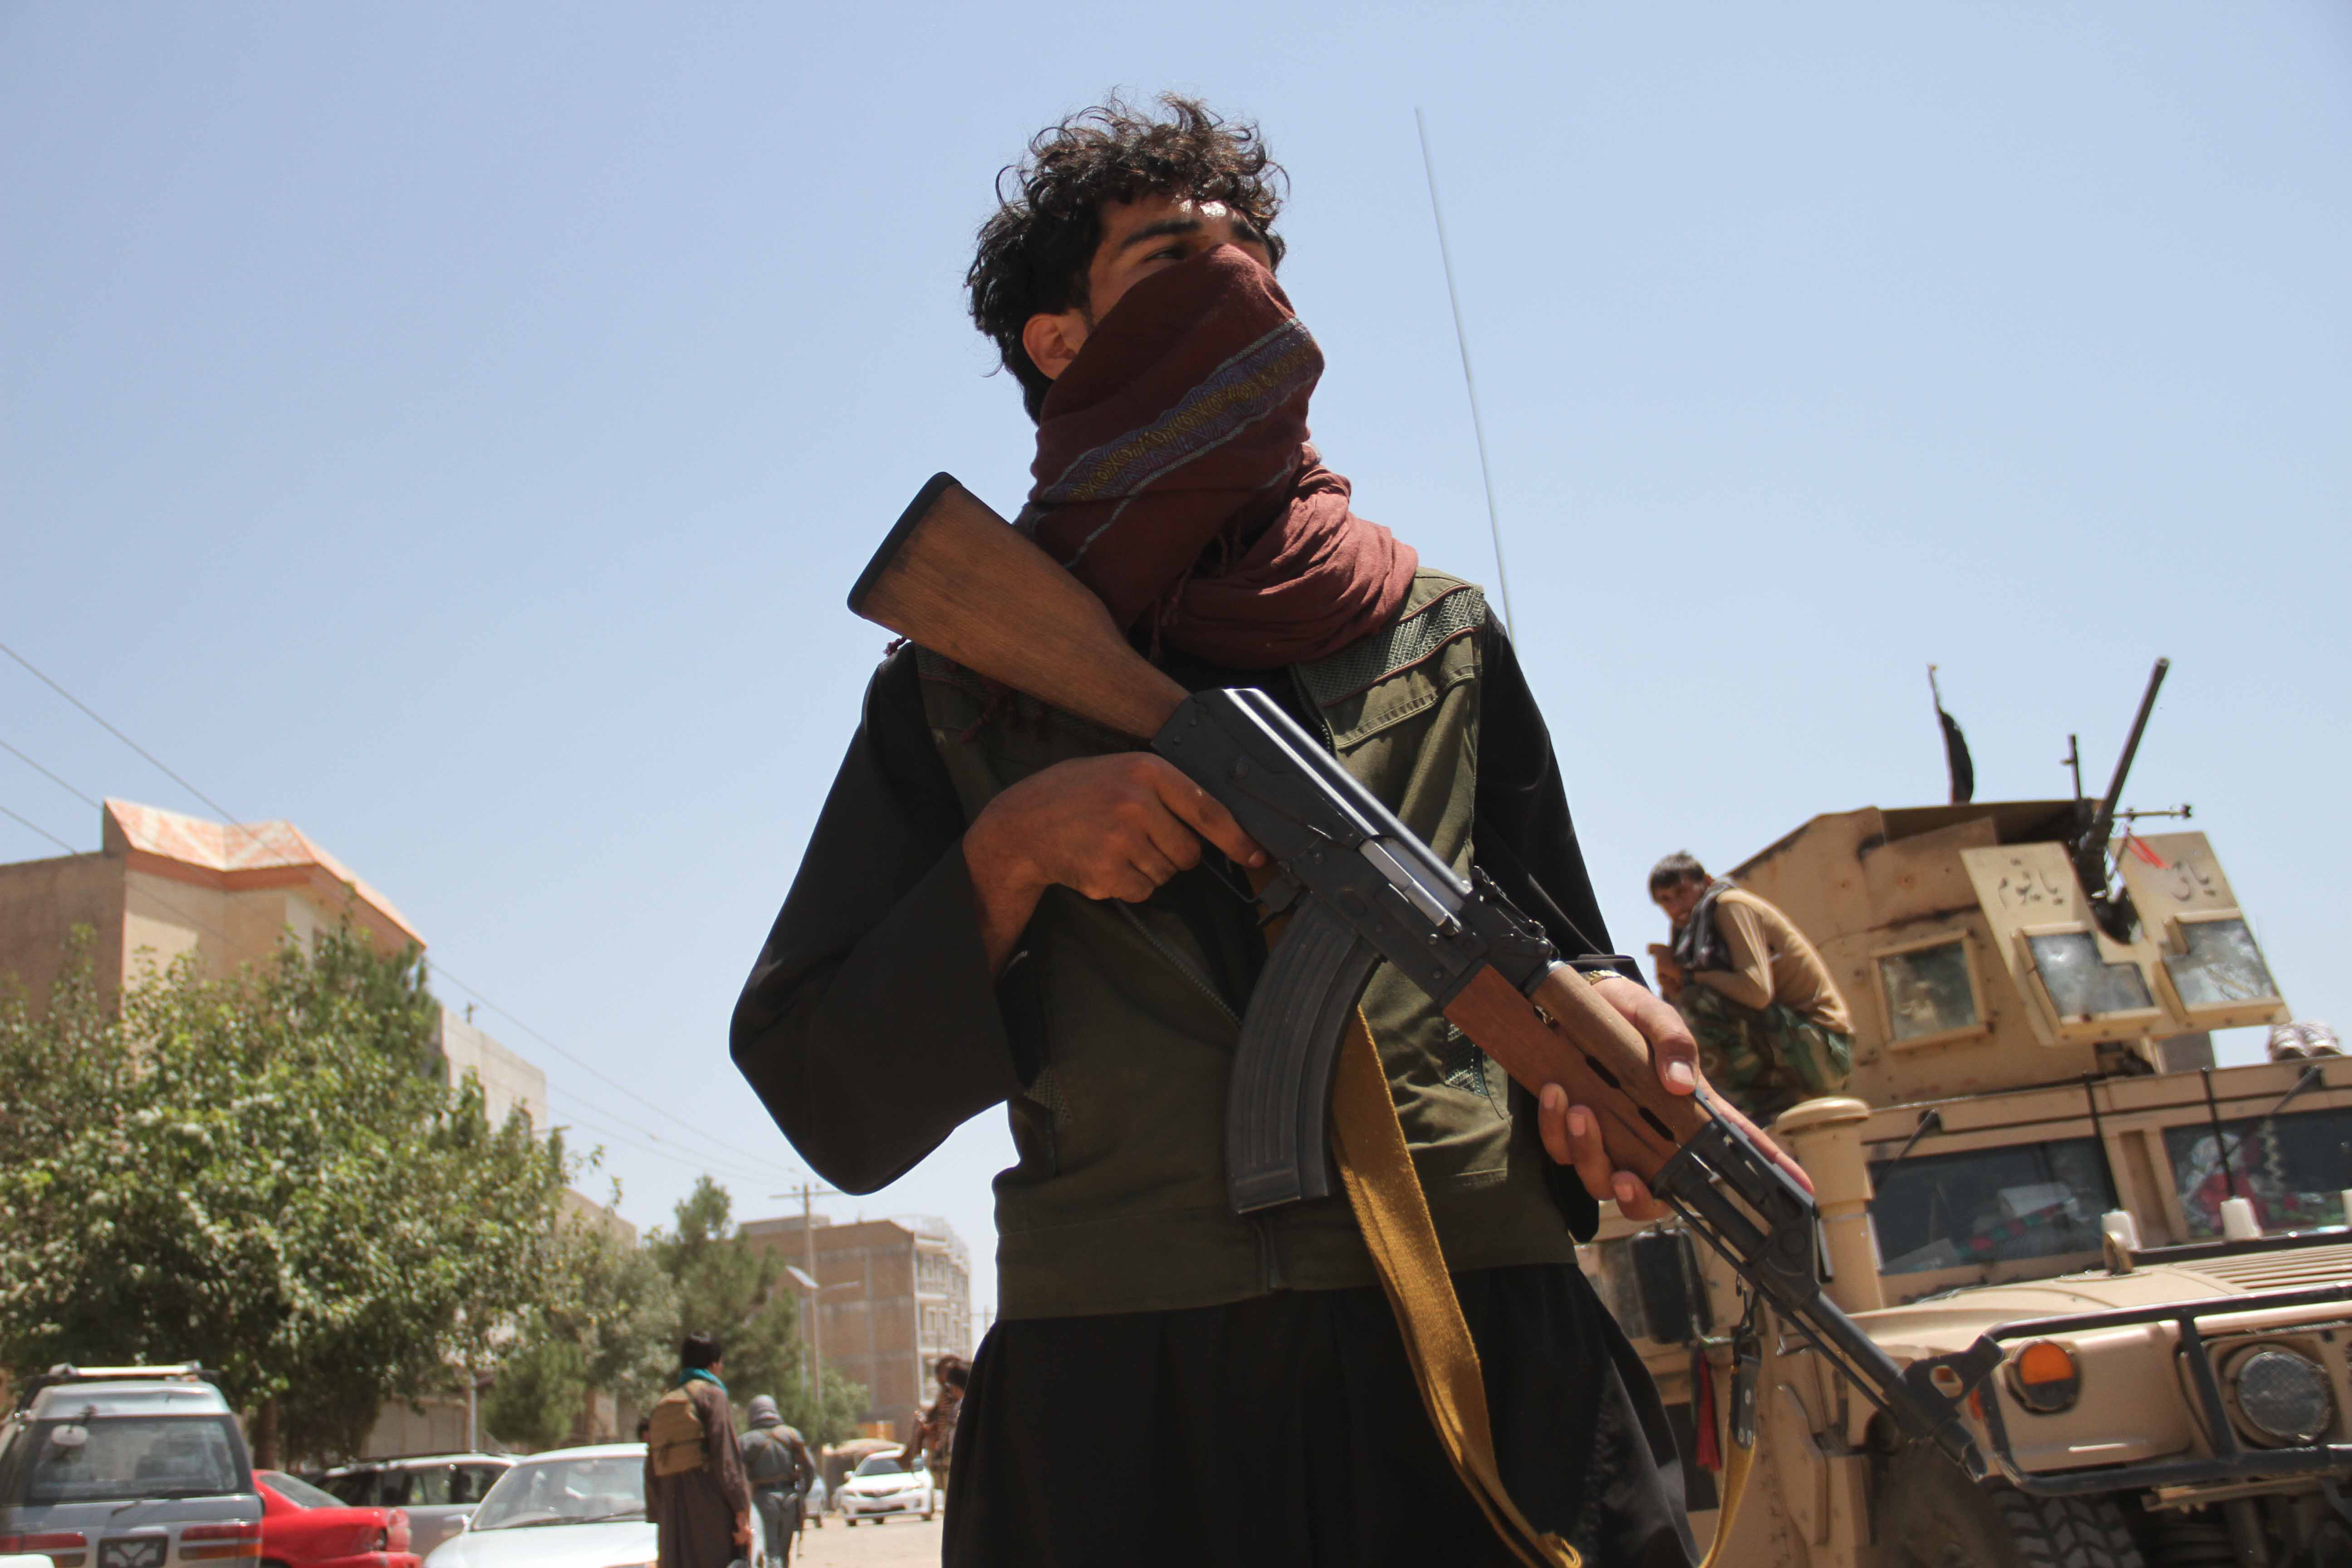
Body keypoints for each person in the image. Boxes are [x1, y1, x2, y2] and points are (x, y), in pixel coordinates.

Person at [734, 95, 1786, 1567]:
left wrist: (1607, 1046)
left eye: (1259, 254)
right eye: (1176, 254)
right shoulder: (959, 692)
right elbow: (825, 1087)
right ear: (1056, 340)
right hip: (1134, 1398)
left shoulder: (1436, 636)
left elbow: (1564, 950)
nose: (1241, 277)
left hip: (1480, 1354)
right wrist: (1011, 852)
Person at [1648, 852, 1854, 1124]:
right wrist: (1671, 979)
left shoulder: (1730, 906)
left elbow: (1756, 992)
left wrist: (1690, 978)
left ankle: (1753, 1108)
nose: (1675, 905)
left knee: (1696, 1002)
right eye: (1665, 900)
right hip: (1794, 1043)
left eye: (1682, 892)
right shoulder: (1693, 929)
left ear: (1707, 882)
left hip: (1823, 1052)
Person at [643, 1334, 752, 1568]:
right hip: (709, 1512)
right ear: (713, 1364)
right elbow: (726, 1459)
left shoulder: (664, 1404)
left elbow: (651, 1470)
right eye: (721, 1364)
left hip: (672, 1520)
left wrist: (660, 1517)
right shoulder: (713, 1396)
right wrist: (742, 1512)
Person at [739, 1396, 811, 1564]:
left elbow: (738, 1475)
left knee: (771, 1552)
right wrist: (801, 1494)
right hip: (790, 1499)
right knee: (785, 1552)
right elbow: (810, 1469)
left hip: (764, 1501)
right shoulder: (792, 1435)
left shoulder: (747, 1441)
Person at [899, 1354, 967, 1493]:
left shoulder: (956, 1396)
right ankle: (911, 1456)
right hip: (943, 1446)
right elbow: (936, 1412)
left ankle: (910, 1458)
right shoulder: (945, 1394)